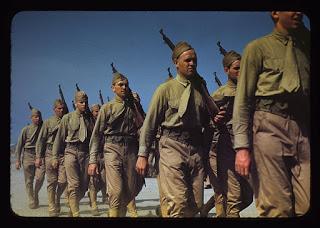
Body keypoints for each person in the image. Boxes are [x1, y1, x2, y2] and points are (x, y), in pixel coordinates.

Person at [233, 11, 310, 217]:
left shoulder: (306, 49)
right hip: (269, 126)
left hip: (304, 130)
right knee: (277, 208)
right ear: (275, 13)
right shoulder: (257, 48)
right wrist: (242, 147)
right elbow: (242, 100)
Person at [136, 41, 212, 217]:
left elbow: (208, 123)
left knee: (195, 206)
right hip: (171, 146)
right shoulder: (165, 90)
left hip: (196, 150)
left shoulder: (202, 91)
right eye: (187, 60)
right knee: (178, 204)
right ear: (176, 63)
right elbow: (150, 124)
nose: (192, 63)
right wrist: (142, 155)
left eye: (194, 60)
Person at [88, 67, 144, 217]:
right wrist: (92, 160)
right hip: (112, 148)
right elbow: (96, 136)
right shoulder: (107, 108)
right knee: (116, 190)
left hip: (131, 149)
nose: (124, 87)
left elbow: (142, 127)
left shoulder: (133, 107)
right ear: (113, 88)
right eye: (120, 84)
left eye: (126, 85)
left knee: (130, 190)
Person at [203, 50, 253, 217]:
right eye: (237, 68)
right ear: (226, 70)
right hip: (224, 150)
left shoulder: (250, 92)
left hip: (246, 150)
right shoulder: (218, 95)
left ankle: (206, 210)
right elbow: (204, 124)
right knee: (233, 198)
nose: (241, 72)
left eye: (243, 68)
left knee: (247, 197)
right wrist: (215, 120)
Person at [51, 91, 95, 217]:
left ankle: (72, 206)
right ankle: (76, 213)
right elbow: (59, 139)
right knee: (74, 184)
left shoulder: (89, 118)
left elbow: (94, 138)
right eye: (81, 102)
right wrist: (54, 157)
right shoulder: (67, 118)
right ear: (76, 103)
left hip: (85, 153)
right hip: (70, 152)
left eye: (86, 102)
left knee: (84, 186)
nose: (84, 104)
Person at [35, 99, 68, 217]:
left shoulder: (67, 120)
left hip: (63, 153)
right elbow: (41, 140)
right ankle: (52, 206)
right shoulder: (48, 122)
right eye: (59, 108)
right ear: (54, 109)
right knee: (51, 181)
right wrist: (38, 157)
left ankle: (57, 198)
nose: (61, 110)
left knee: (63, 181)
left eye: (63, 108)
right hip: (49, 153)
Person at [15, 108, 46, 209]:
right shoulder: (25, 129)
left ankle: (35, 193)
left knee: (40, 178)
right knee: (29, 180)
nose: (38, 119)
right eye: (35, 117)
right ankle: (31, 199)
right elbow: (19, 146)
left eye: (39, 117)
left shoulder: (43, 127)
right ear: (31, 118)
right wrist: (17, 160)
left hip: (40, 156)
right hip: (28, 155)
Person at [86, 103, 106, 216]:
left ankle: (93, 195)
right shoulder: (88, 125)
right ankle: (94, 204)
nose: (97, 113)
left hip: (104, 155)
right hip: (93, 155)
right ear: (92, 112)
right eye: (95, 111)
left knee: (104, 180)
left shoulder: (105, 123)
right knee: (93, 181)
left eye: (99, 111)